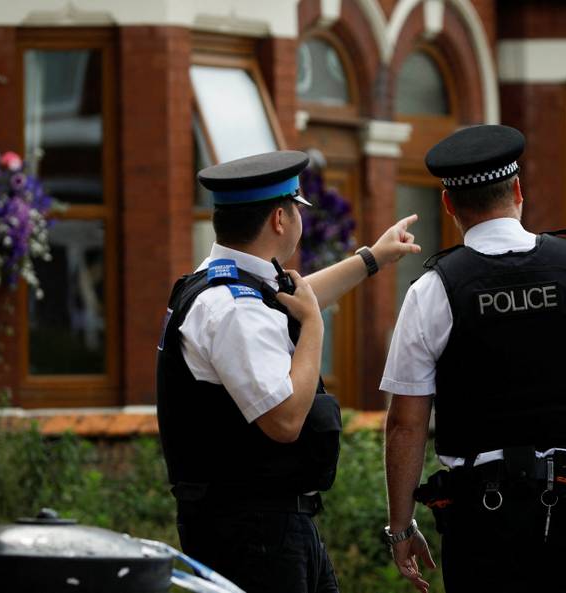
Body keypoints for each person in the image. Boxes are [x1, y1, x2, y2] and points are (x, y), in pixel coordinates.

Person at [381, 125, 566, 593]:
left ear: (449, 205)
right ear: (517, 191)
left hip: (483, 520)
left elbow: (406, 424)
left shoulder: (431, 292)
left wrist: (401, 527)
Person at [156, 150, 420, 593]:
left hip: (263, 522)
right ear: (280, 219)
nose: (300, 217)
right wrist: (315, 329)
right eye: (298, 208)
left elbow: (293, 299)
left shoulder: (225, 282)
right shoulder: (234, 308)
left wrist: (374, 258)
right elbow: (285, 420)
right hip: (253, 531)